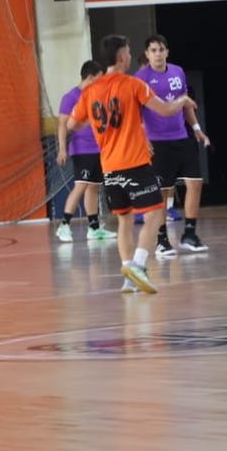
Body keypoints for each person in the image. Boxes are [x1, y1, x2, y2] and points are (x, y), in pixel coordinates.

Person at [67, 35, 192, 294]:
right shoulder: (133, 84)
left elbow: (72, 124)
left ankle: (128, 276)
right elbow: (165, 110)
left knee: (124, 220)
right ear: (122, 56)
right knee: (155, 213)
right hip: (134, 163)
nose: (131, 55)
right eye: (128, 51)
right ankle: (139, 265)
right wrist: (182, 100)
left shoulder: (90, 91)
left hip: (109, 167)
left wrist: (95, 122)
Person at [136, 35, 211, 257]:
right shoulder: (141, 78)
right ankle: (162, 241)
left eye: (161, 49)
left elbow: (186, 104)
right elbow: (135, 113)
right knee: (163, 191)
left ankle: (190, 234)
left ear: (167, 52)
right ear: (147, 54)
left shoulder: (178, 72)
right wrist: (143, 138)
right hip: (157, 142)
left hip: (181, 137)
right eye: (153, 50)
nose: (158, 54)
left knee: (195, 183)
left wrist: (196, 128)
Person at [54, 61, 111, 243]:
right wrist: (62, 149)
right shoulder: (70, 97)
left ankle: (94, 228)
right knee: (81, 185)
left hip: (98, 148)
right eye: (99, 78)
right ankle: (64, 225)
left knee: (93, 187)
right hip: (82, 149)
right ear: (90, 77)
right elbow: (62, 125)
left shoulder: (97, 95)